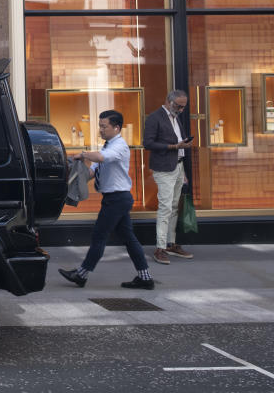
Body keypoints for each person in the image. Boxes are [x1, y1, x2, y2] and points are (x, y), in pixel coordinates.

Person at [58, 110, 154, 290]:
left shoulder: (119, 146)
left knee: (99, 236)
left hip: (117, 199)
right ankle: (145, 278)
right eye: (100, 126)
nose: (101, 130)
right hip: (117, 198)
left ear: (116, 128)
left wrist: (84, 154)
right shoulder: (107, 146)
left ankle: (81, 274)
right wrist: (73, 175)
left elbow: (103, 158)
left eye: (104, 126)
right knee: (129, 238)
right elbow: (93, 171)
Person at [143, 90, 195, 265]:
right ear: (168, 101)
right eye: (178, 106)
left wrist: (184, 170)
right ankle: (160, 247)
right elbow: (148, 143)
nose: (180, 110)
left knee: (173, 206)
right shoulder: (154, 117)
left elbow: (178, 144)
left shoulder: (175, 117)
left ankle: (170, 243)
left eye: (183, 107)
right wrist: (175, 146)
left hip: (178, 166)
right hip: (164, 168)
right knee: (165, 206)